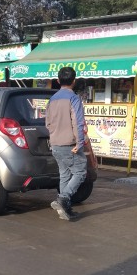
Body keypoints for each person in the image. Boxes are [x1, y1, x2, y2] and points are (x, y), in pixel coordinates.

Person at [45, 66, 87, 220]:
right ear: (74, 81)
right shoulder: (73, 98)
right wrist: (80, 142)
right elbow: (78, 122)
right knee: (80, 172)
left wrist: (55, 135)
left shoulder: (52, 99)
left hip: (55, 143)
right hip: (69, 144)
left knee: (65, 175)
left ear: (58, 81)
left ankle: (65, 210)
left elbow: (47, 123)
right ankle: (63, 199)